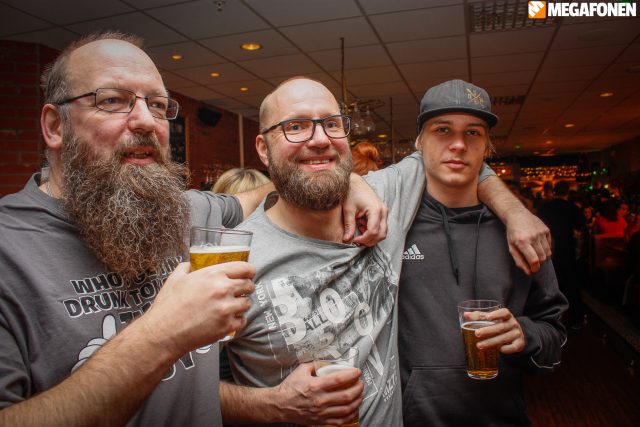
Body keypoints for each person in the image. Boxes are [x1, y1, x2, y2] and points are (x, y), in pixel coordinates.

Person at [0, 33, 387, 426]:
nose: (146, 120)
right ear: (55, 126)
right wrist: (161, 334)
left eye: (157, 104)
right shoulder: (9, 248)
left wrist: (348, 178)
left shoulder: (186, 213)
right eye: (112, 100)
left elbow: (270, 188)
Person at [219, 77, 552, 426]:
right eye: (296, 126)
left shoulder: (387, 197)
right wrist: (273, 405)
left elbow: (459, 153)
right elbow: (184, 390)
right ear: (263, 148)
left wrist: (515, 212)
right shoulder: (231, 259)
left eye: (332, 124)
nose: (319, 139)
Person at [397, 79, 568, 426]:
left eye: (473, 132)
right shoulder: (390, 227)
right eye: (442, 129)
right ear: (419, 142)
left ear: (487, 146)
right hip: (411, 417)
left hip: (501, 416)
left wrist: (525, 335)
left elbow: (555, 333)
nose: (458, 144)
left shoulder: (523, 233)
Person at [538, 180, 586, 329]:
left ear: (554, 191)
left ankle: (550, 320)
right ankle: (576, 319)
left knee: (549, 283)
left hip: (548, 248)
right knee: (571, 283)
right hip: (567, 249)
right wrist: (578, 250)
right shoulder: (573, 208)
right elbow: (579, 231)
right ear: (567, 192)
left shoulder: (545, 207)